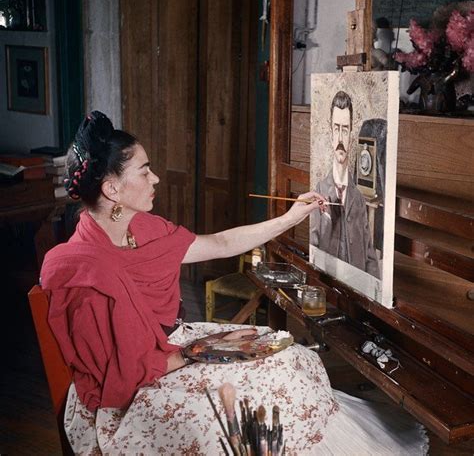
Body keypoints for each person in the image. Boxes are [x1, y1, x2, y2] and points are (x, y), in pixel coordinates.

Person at [41, 111, 427, 454]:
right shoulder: (81, 269)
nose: (155, 177)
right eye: (144, 171)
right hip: (138, 388)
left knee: (290, 357)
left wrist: (291, 218)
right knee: (247, 404)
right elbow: (119, 376)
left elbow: (219, 243)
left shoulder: (140, 226)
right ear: (112, 190)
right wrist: (203, 352)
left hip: (173, 347)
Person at [310, 91, 380, 279]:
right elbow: (314, 251)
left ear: (351, 133)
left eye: (345, 129)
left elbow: (369, 255)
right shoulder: (319, 192)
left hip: (356, 294)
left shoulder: (357, 197)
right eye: (337, 128)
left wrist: (375, 293)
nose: (341, 139)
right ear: (331, 132)